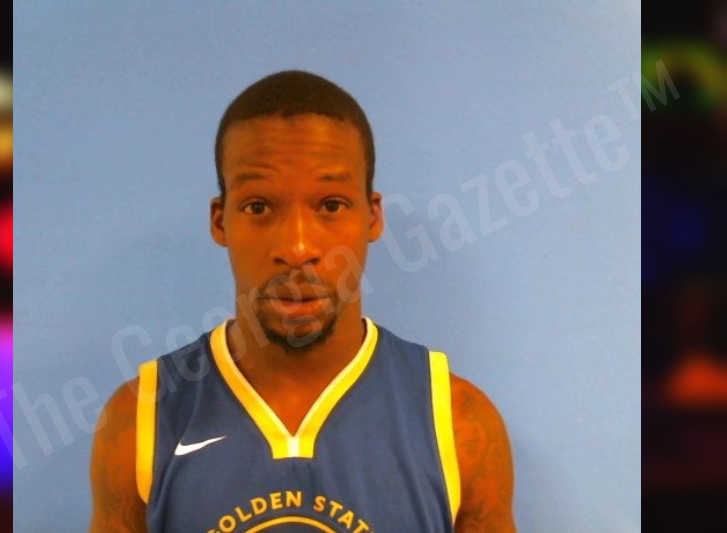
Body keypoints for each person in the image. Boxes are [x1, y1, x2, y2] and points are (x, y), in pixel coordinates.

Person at [89, 70, 517, 533]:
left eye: (331, 205)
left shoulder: (459, 423)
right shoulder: (141, 420)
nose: (297, 247)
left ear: (372, 217)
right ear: (220, 221)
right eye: (258, 207)